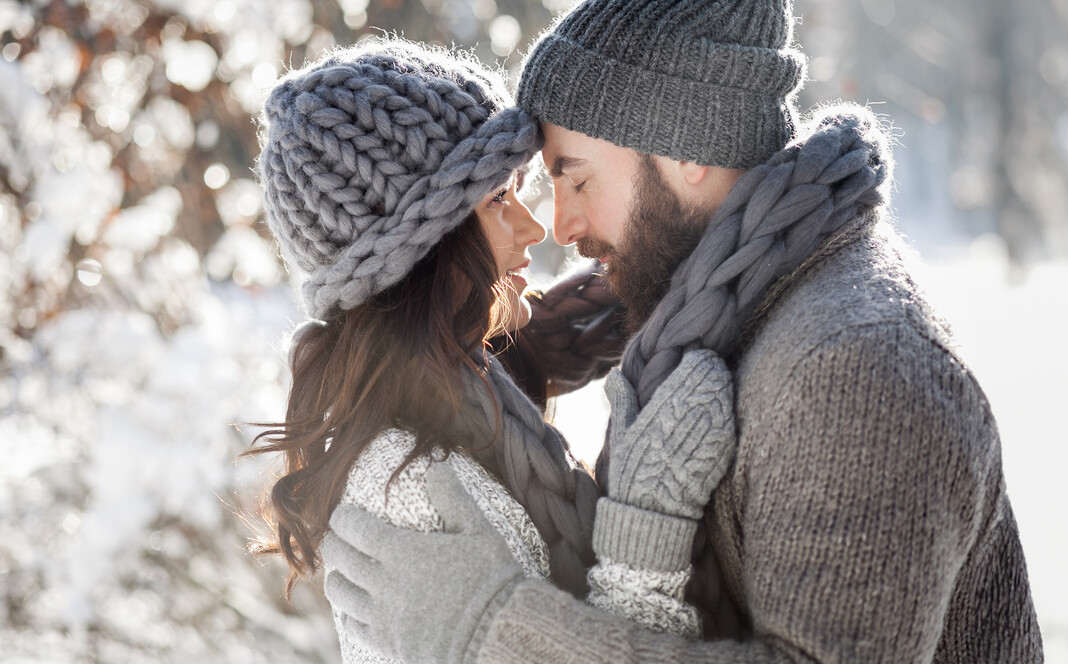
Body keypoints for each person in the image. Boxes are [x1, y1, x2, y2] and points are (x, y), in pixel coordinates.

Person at [319, 0, 1045, 662]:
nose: (561, 226)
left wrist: (497, 630)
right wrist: (508, 362)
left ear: (687, 150)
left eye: (576, 178)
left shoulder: (854, 365)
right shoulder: (722, 319)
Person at [249, 38, 739, 664]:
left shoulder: (464, 390)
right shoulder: (411, 482)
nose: (535, 229)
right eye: (497, 200)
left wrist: (661, 268)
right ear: (422, 249)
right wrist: (651, 513)